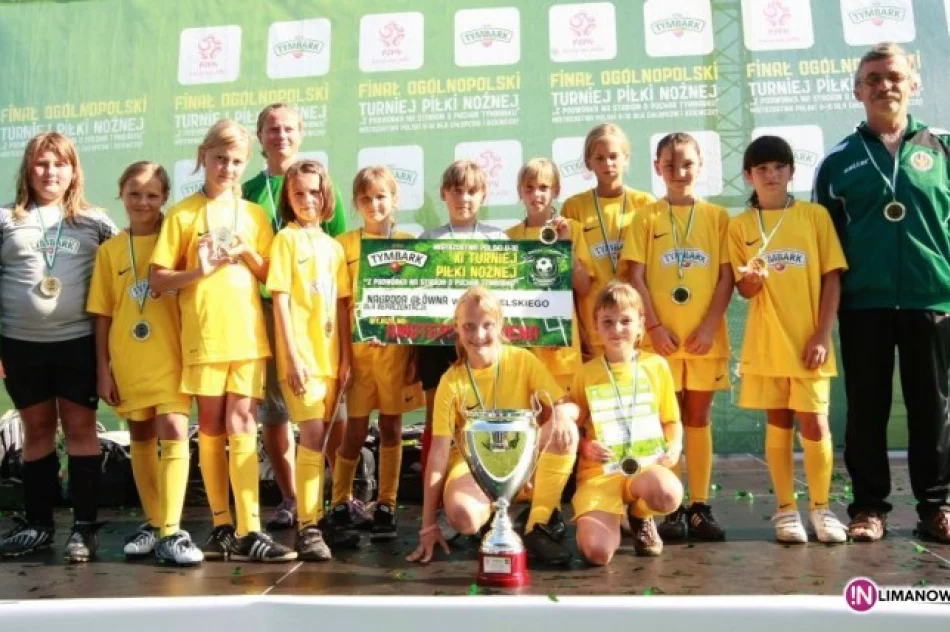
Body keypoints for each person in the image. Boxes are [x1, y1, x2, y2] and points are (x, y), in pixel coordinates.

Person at [813, 42, 950, 543]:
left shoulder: (942, 148)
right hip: (863, 301)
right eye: (872, 78)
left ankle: (936, 505)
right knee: (865, 408)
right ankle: (869, 508)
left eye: (893, 75)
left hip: (931, 298)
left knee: (931, 408)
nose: (883, 85)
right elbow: (824, 247)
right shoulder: (837, 162)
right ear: (857, 90)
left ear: (913, 83)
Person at [150, 119, 295, 562]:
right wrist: (199, 271)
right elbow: (158, 281)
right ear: (203, 156)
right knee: (211, 427)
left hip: (250, 338)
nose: (227, 168)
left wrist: (250, 256)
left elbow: (273, 275)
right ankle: (220, 524)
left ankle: (250, 527)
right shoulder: (182, 214)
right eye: (219, 159)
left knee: (243, 424)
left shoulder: (253, 214)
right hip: (203, 338)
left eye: (235, 161)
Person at [0, 132, 117, 562]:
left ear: (74, 171)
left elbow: (125, 271)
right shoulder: (4, 220)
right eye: (41, 164)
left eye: (59, 164)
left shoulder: (96, 221)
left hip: (77, 344)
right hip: (21, 344)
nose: (50, 173)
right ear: (28, 171)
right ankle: (38, 525)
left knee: (82, 430)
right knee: (37, 431)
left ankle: (84, 529)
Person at [406, 286, 579, 566]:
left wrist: (560, 413)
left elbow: (570, 405)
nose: (479, 335)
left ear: (500, 325)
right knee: (463, 518)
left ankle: (538, 525)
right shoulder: (452, 381)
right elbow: (438, 451)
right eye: (469, 327)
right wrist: (428, 525)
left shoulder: (522, 359)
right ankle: (497, 518)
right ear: (457, 329)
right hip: (476, 466)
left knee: (566, 427)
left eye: (487, 325)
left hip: (524, 461)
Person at [729, 135, 848, 544]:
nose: (771, 175)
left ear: (791, 171)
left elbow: (833, 276)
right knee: (778, 423)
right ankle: (785, 511)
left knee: (814, 423)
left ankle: (821, 508)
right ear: (749, 175)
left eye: (778, 167)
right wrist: (751, 282)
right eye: (761, 169)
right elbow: (743, 291)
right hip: (766, 344)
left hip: (809, 342)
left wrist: (821, 333)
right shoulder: (740, 225)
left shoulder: (814, 216)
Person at [88, 162, 201, 565]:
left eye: (152, 195)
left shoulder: (178, 240)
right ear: (121, 194)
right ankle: (154, 524)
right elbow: (102, 314)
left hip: (171, 353)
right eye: (135, 193)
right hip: (128, 357)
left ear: (164, 199)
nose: (143, 202)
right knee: (139, 432)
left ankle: (172, 529)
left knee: (172, 427)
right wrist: (103, 368)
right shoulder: (109, 250)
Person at [242, 103, 348, 531]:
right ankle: (292, 497)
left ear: (300, 133)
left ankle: (333, 495)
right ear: (259, 136)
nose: (280, 135)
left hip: (319, 316)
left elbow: (337, 247)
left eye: (288, 128)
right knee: (277, 412)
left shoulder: (323, 188)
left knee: (330, 416)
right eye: (271, 128)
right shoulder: (248, 190)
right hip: (267, 310)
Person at [621, 133, 732, 542]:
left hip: (704, 339)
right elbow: (635, 275)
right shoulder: (646, 218)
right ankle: (668, 507)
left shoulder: (718, 217)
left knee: (698, 418)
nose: (679, 172)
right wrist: (652, 327)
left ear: (700, 165)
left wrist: (707, 327)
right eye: (670, 165)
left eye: (687, 164)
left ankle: (700, 506)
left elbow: (725, 276)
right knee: (662, 423)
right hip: (659, 342)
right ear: (657, 168)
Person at [328, 166, 423, 544]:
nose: (374, 204)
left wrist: (414, 349)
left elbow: (420, 305)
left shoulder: (407, 241)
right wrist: (344, 359)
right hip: (359, 353)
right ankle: (339, 502)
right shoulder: (345, 244)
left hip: (397, 353)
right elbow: (340, 305)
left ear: (394, 199)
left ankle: (386, 504)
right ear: (356, 203)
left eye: (381, 196)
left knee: (391, 428)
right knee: (353, 429)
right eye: (366, 198)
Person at [266, 159, 353, 561]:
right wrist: (294, 357)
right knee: (313, 436)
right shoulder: (285, 240)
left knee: (330, 438)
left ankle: (324, 515)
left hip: (332, 360)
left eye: (313, 192)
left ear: (325, 194)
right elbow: (280, 302)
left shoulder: (334, 248)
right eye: (298, 193)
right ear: (288, 197)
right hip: (301, 361)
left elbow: (342, 307)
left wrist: (347, 359)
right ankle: (308, 526)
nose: (307, 200)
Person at [571, 280, 684, 562]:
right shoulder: (586, 373)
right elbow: (573, 427)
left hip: (644, 467)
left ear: (640, 324)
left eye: (625, 321)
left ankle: (640, 515)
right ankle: (603, 520)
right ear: (595, 324)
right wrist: (585, 447)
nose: (617, 329)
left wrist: (674, 445)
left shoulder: (656, 366)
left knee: (668, 494)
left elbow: (672, 420)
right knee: (596, 554)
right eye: (607, 321)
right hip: (600, 472)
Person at [415, 160, 507, 490]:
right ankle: (436, 495)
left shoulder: (498, 239)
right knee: (436, 420)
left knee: (487, 415)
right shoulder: (429, 238)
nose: (463, 198)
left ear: (483, 195)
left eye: (471, 191)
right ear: (444, 194)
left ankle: (491, 490)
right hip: (437, 342)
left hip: (482, 342)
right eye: (456, 191)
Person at [561, 123, 655, 358]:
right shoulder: (574, 207)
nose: (608, 164)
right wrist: (576, 331)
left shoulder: (645, 203)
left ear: (626, 157)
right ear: (588, 162)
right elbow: (568, 279)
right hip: (593, 326)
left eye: (614, 156)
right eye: (599, 158)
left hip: (634, 326)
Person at [506, 158, 593, 393]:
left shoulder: (571, 229)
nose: (537, 195)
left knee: (567, 420)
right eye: (529, 188)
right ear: (520, 192)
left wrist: (566, 248)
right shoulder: (509, 237)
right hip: (523, 346)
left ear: (556, 190)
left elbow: (583, 287)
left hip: (562, 347)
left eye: (544, 188)